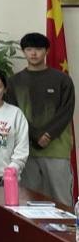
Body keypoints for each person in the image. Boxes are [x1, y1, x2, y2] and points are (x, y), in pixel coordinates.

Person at [5, 33, 76, 205]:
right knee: (30, 200)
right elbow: (13, 113)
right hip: (25, 150)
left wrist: (48, 134)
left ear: (47, 51)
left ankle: (67, 224)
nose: (33, 53)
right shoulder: (14, 81)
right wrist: (36, 135)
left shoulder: (62, 80)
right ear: (23, 51)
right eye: (29, 49)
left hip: (56, 149)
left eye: (38, 49)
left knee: (62, 199)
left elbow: (66, 111)